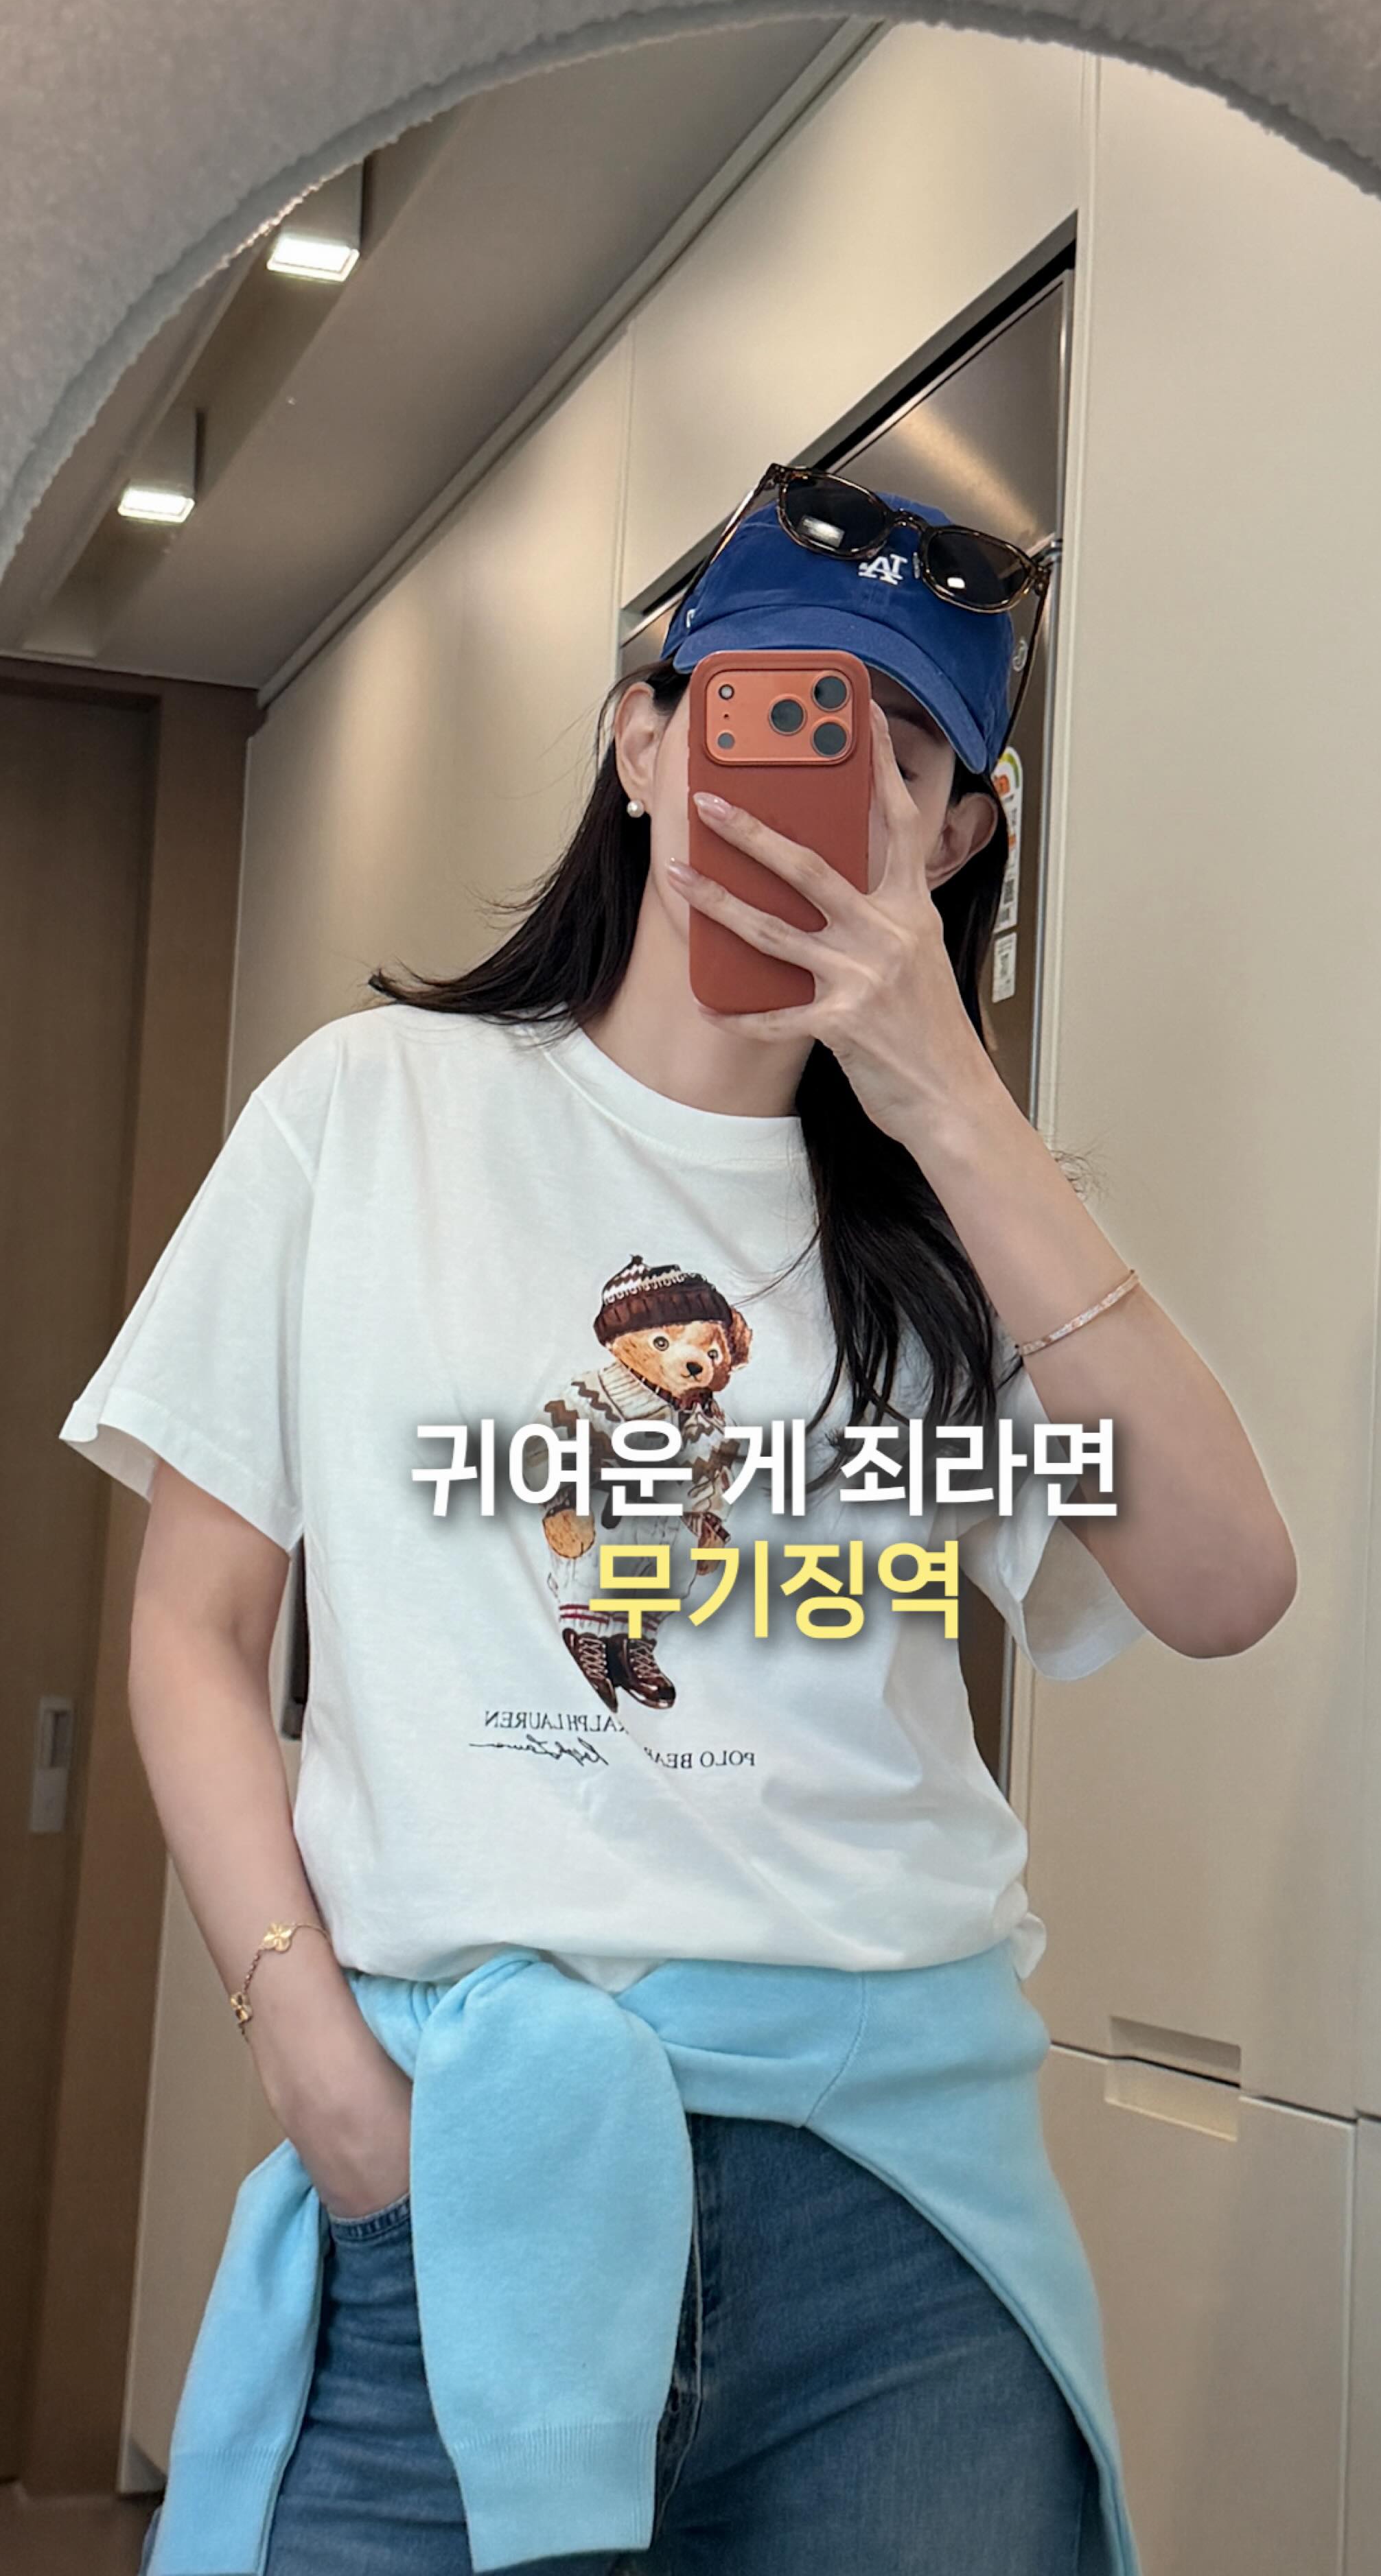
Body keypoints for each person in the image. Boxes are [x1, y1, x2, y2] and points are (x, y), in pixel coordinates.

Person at [62, 469, 1297, 2576]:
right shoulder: (369, 1115)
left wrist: (949, 1098)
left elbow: (1224, 1582)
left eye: (902, 757)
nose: (826, 785)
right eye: (769, 713)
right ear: (642, 743)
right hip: (469, 2153)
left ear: (958, 840)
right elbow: (194, 1626)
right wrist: (311, 2053)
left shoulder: (958, 1222)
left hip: (888, 2214)